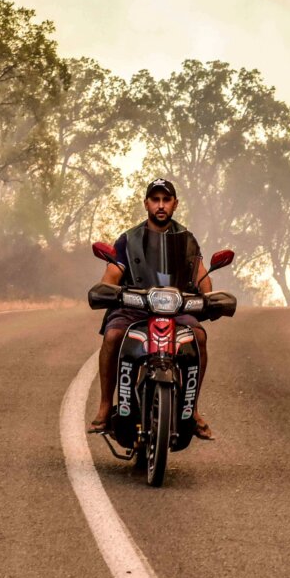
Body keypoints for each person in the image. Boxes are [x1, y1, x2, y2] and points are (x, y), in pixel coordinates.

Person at [91, 178, 216, 439]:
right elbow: (112, 274)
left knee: (199, 337)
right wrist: (109, 290)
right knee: (113, 335)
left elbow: (201, 276)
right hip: (134, 306)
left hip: (176, 308)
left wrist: (210, 298)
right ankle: (104, 406)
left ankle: (191, 409)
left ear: (175, 204)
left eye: (166, 200)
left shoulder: (187, 240)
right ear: (146, 203)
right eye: (155, 200)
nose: (161, 205)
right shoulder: (129, 239)